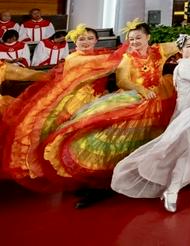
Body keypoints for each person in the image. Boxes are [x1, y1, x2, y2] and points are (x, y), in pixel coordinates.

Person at [41, 21, 190, 205]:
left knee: (149, 140)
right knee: (117, 140)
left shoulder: (159, 50)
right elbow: (122, 81)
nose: (134, 41)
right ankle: (103, 181)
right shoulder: (127, 57)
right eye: (131, 38)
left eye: (138, 37)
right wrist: (140, 88)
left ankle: (140, 176)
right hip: (134, 100)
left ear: (148, 37)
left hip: (157, 100)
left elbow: (183, 42)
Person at [111, 33, 190, 212]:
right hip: (187, 114)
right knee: (186, 150)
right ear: (180, 51)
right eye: (188, 46)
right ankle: (172, 190)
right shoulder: (182, 68)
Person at [0, 25, 123, 191]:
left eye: (89, 38)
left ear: (96, 40)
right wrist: (130, 50)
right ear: (74, 42)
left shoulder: (99, 55)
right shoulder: (76, 58)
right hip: (76, 102)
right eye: (81, 39)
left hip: (95, 99)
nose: (86, 42)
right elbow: (107, 62)